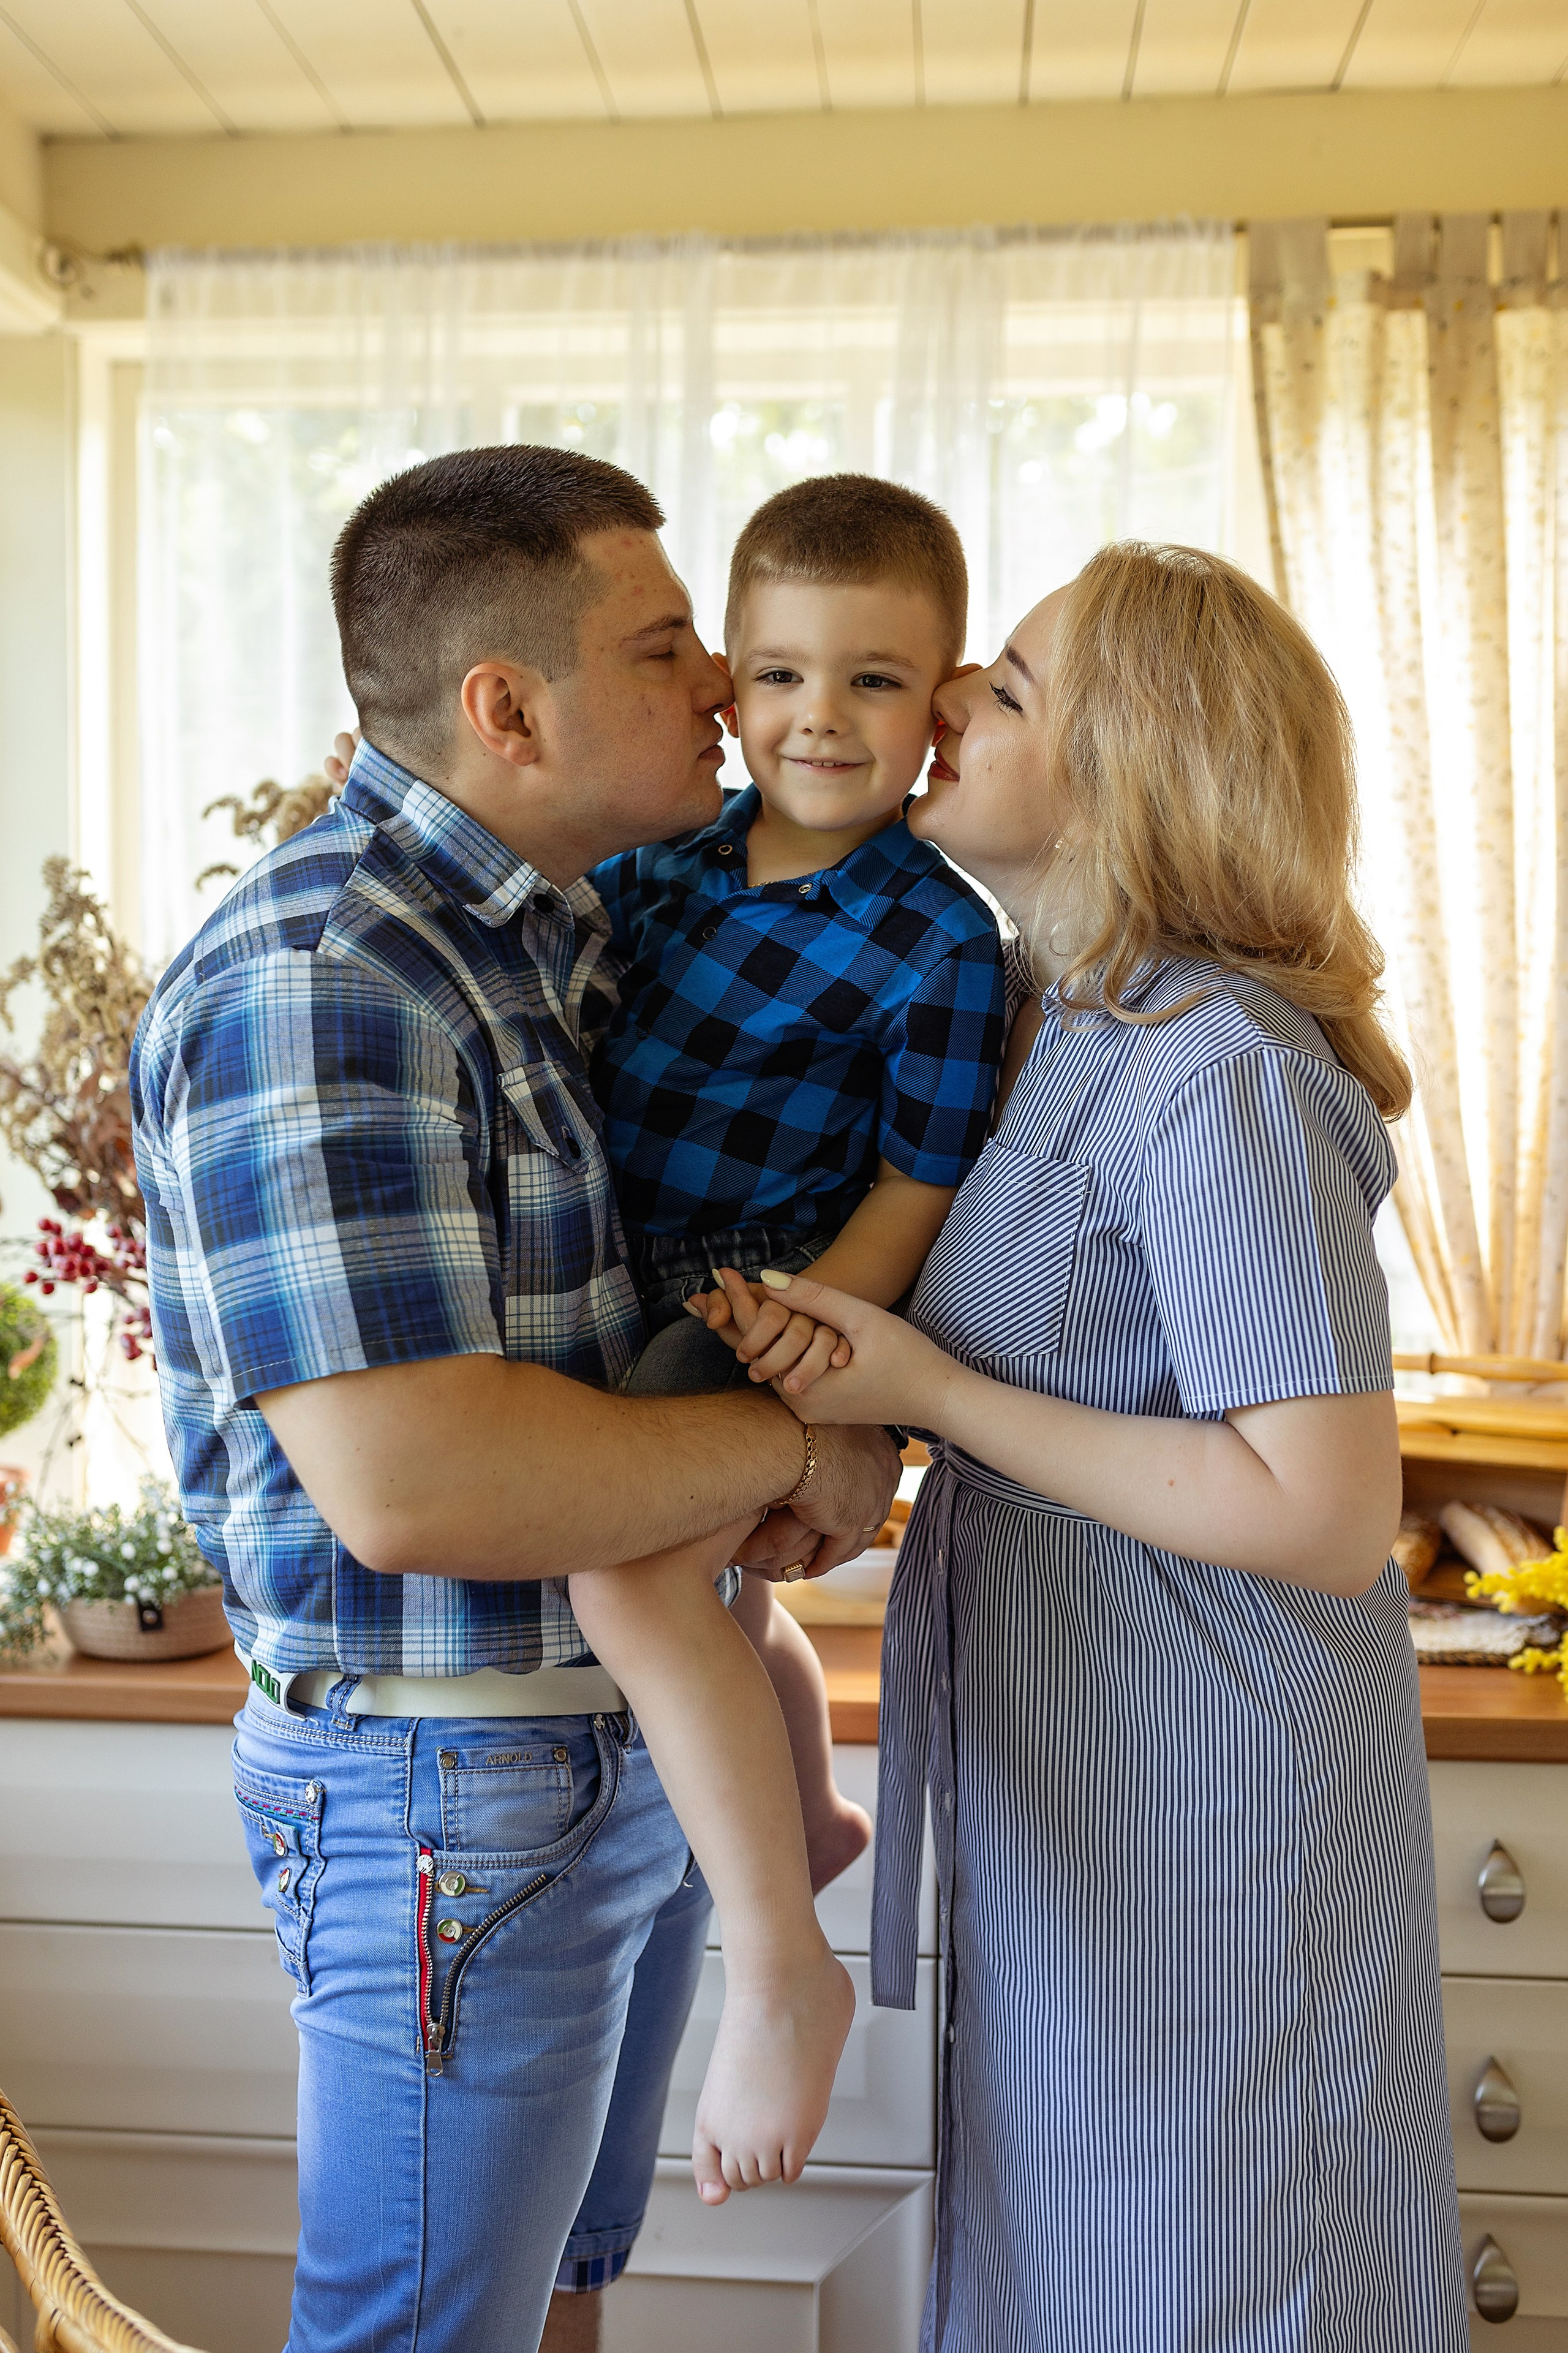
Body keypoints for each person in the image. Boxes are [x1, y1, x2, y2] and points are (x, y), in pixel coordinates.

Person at [129, 445, 900, 2353]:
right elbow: (420, 1481)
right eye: (667, 649)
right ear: (505, 708)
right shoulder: (328, 973)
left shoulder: (542, 938)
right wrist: (806, 1447)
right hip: (445, 1785)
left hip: (582, 1750)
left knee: (559, 2303)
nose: (725, 682)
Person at [701, 543, 1468, 2350]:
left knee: (1214, 2280)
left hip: (1217, 1824)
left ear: (1136, 763)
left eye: (1013, 687)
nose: (949, 700)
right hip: (1089, 1807)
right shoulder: (1075, 1032)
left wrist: (932, 1397)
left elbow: (1325, 1504)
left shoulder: (1217, 1067)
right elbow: (1099, 1383)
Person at [565, 476, 1006, 2177]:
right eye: (783, 674)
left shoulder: (939, 935)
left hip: (759, 1289)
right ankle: (814, 1810)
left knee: (628, 1568)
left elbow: (918, 1180)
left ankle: (779, 1967)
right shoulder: (660, 866)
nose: (822, 716)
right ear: (728, 687)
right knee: (721, 1589)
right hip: (613, 1269)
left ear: (944, 706)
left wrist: (822, 1351)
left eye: (877, 680)